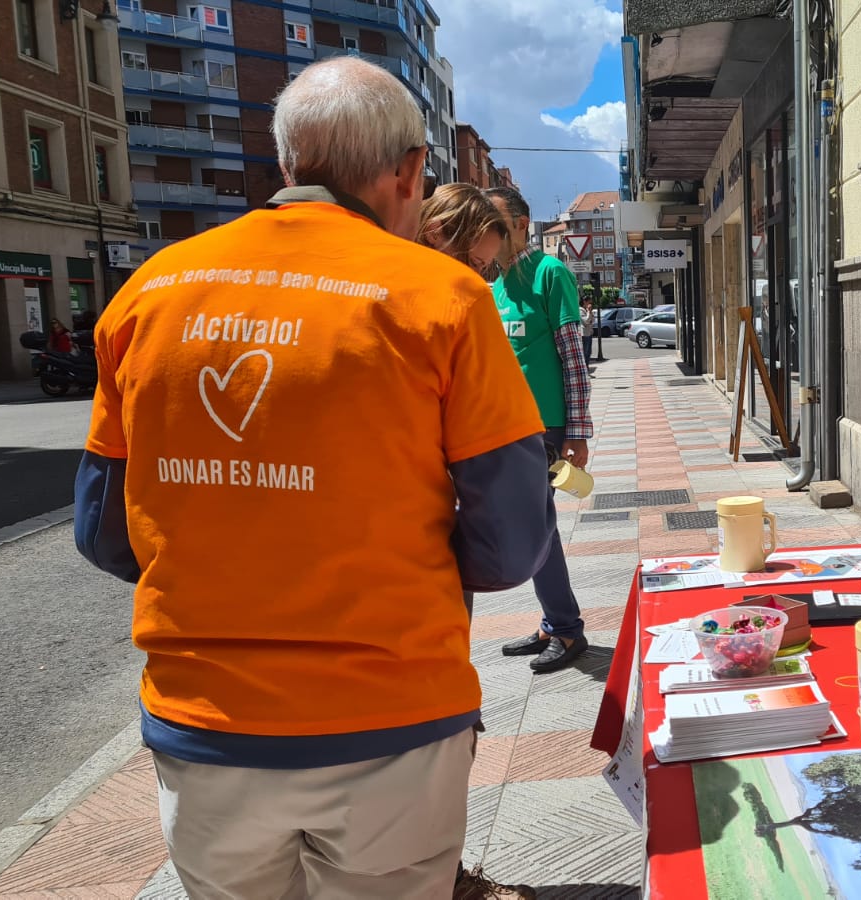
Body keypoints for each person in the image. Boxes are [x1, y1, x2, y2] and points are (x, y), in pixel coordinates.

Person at [73, 57, 553, 898]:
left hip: (203, 724)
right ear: (408, 172)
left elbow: (102, 529)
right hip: (391, 720)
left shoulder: (149, 291)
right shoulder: (443, 298)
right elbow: (512, 542)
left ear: (288, 164)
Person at [485, 185, 591, 673]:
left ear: (522, 224)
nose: (485, 231)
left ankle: (566, 630)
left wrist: (577, 431)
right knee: (536, 527)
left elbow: (573, 358)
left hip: (543, 426)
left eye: (495, 220)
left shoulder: (549, 273)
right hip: (507, 425)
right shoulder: (494, 285)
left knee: (538, 528)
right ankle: (555, 623)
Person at [580, 296, 596, 362]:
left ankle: (587, 365)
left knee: (589, 352)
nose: (590, 304)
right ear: (584, 301)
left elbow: (593, 320)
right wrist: (589, 312)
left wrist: (590, 312)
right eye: (589, 302)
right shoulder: (580, 310)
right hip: (584, 334)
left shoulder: (587, 310)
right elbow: (586, 321)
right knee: (585, 351)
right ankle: (585, 366)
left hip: (589, 333)